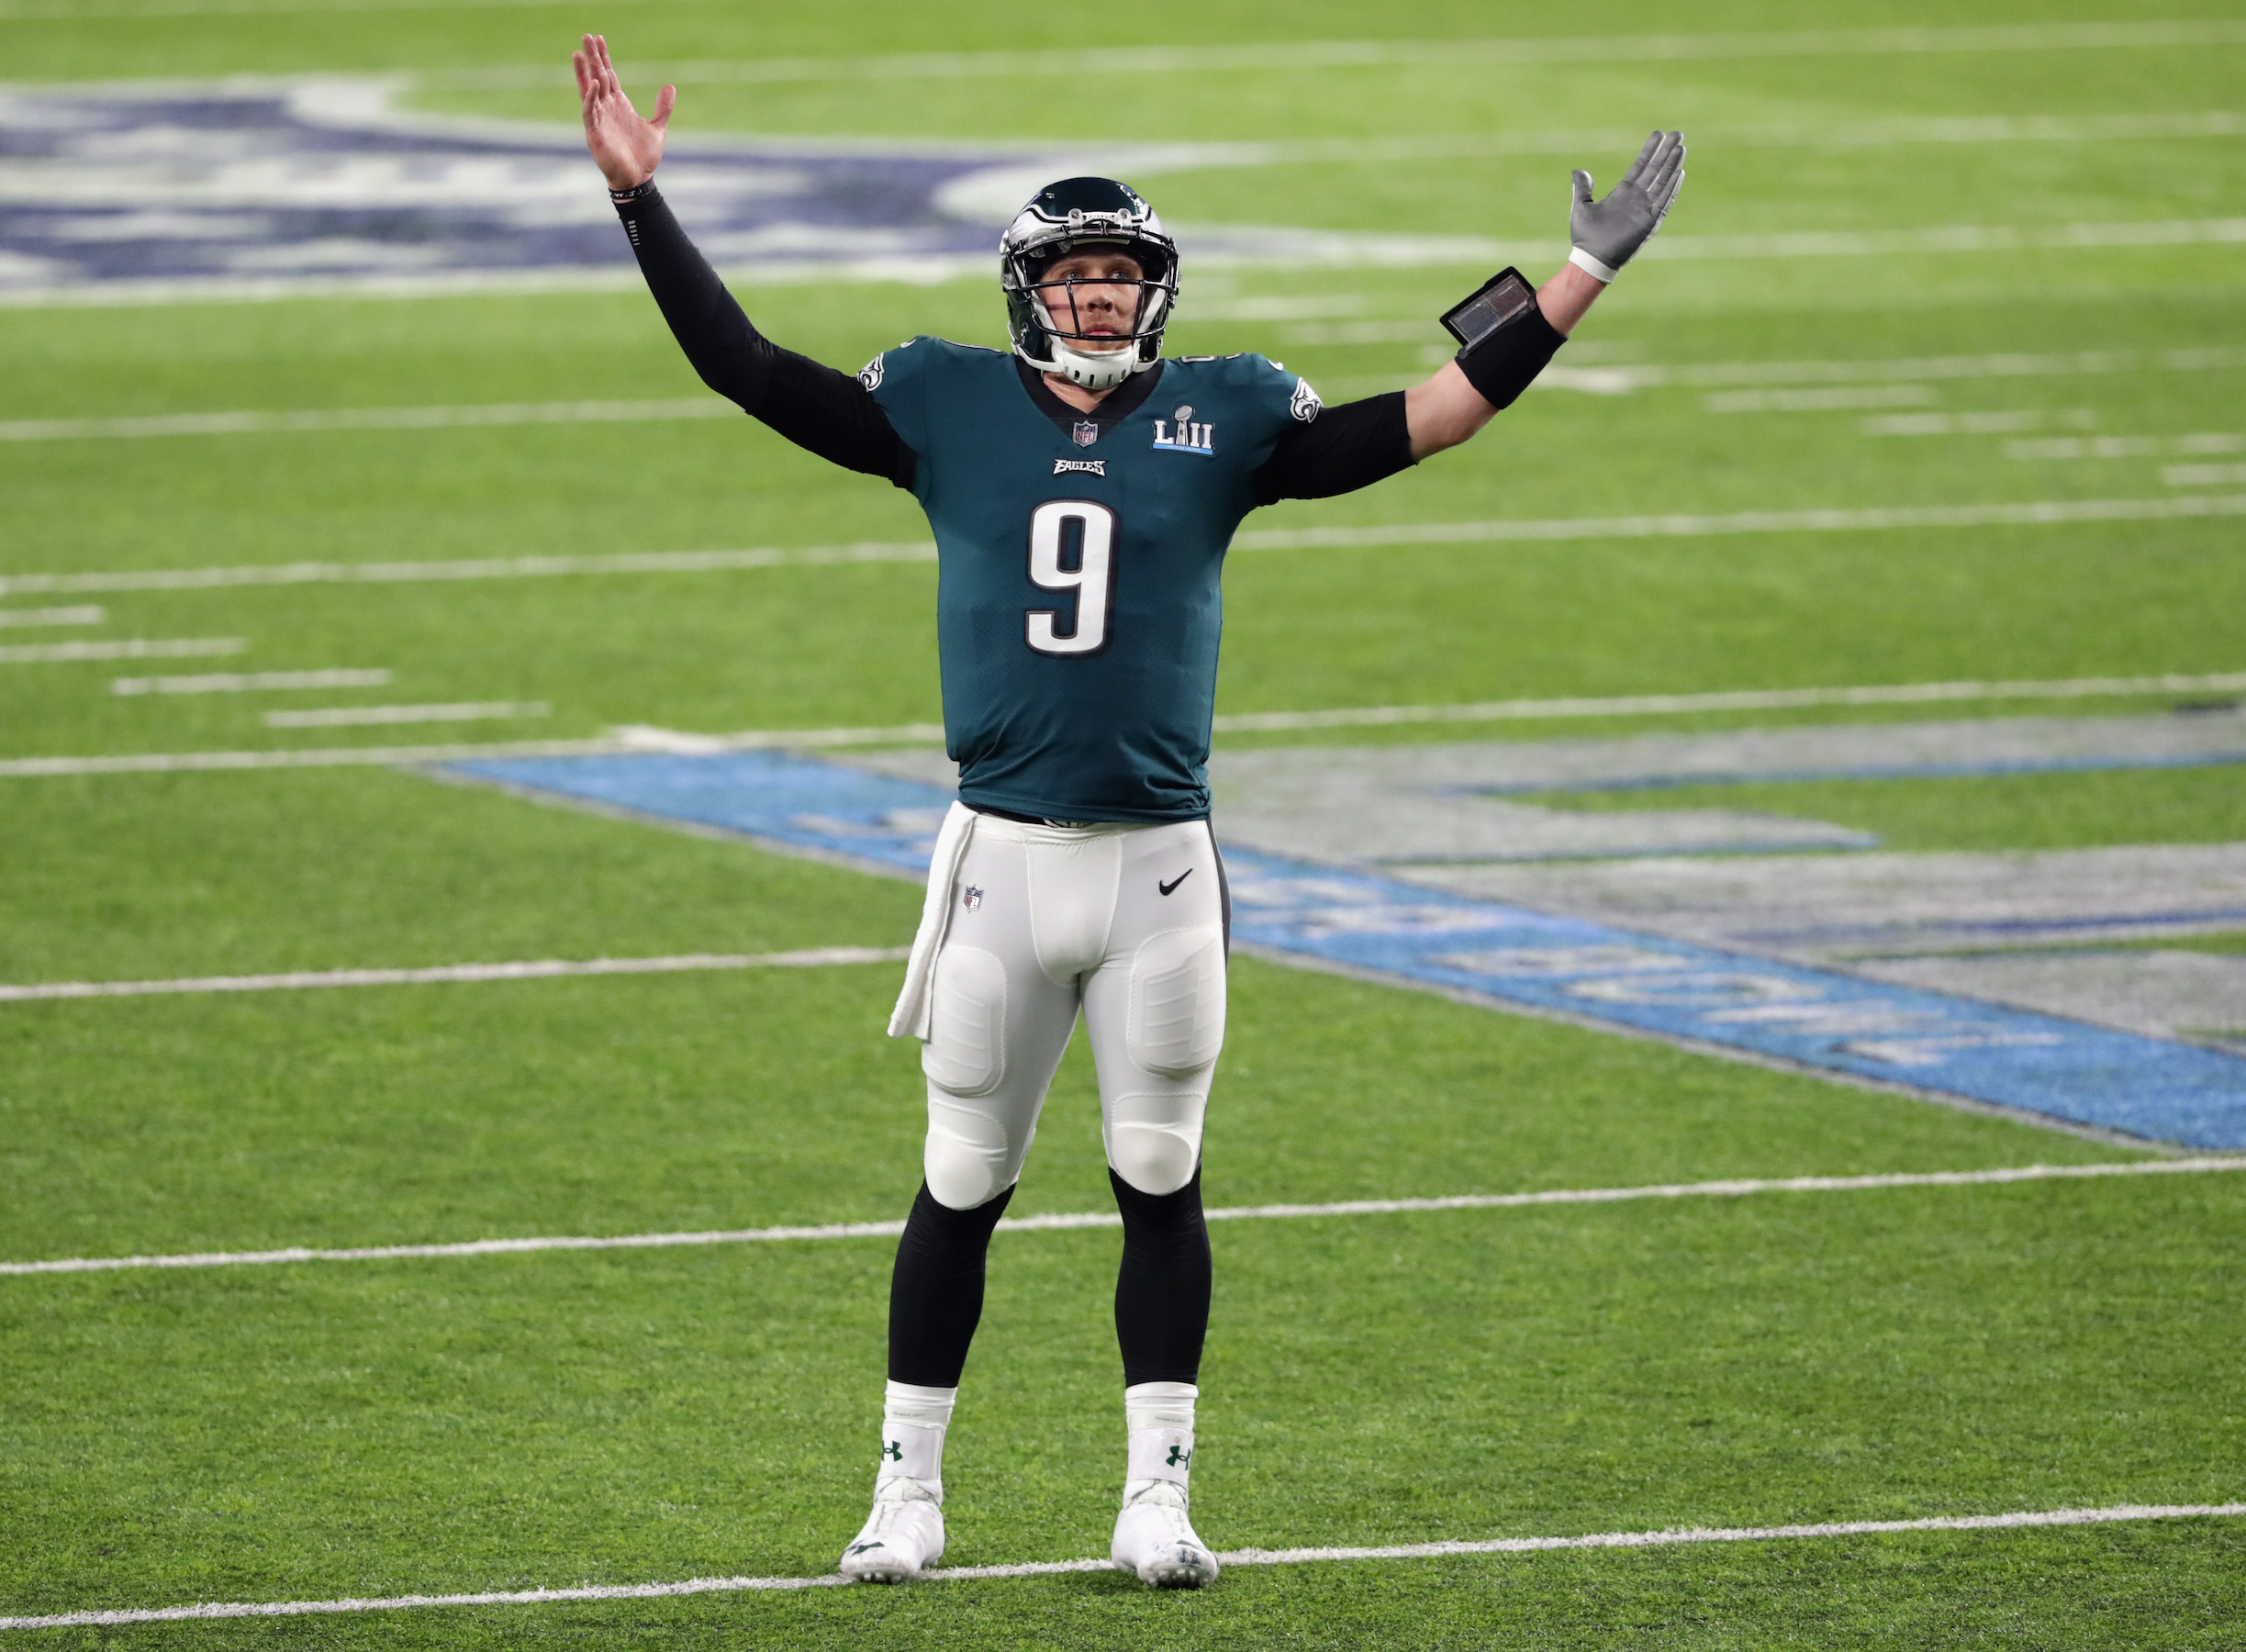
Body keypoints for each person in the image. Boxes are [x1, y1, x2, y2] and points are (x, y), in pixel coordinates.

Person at [572, 30, 1684, 1591]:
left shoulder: (1225, 415)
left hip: (1160, 866)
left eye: (1119, 277)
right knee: (961, 1180)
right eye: (1075, 276)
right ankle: (906, 1492)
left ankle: (1157, 1496)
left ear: (1154, 292)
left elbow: (1429, 415)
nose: (1098, 299)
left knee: (1160, 1175)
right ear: (1026, 290)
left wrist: (1577, 276)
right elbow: (746, 369)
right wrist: (640, 203)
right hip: (1002, 858)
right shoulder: (944, 402)